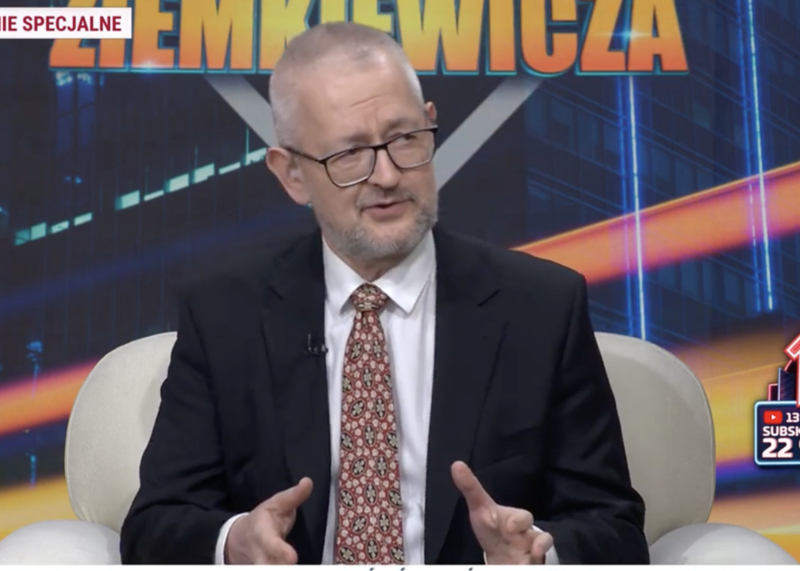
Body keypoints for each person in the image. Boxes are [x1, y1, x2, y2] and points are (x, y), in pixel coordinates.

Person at [120, 22, 649, 565]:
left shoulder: (541, 308)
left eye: (405, 139)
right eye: (350, 154)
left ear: (431, 123)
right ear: (292, 174)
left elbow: (614, 528)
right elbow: (155, 525)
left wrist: (539, 555)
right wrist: (235, 542)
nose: (389, 175)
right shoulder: (224, 314)